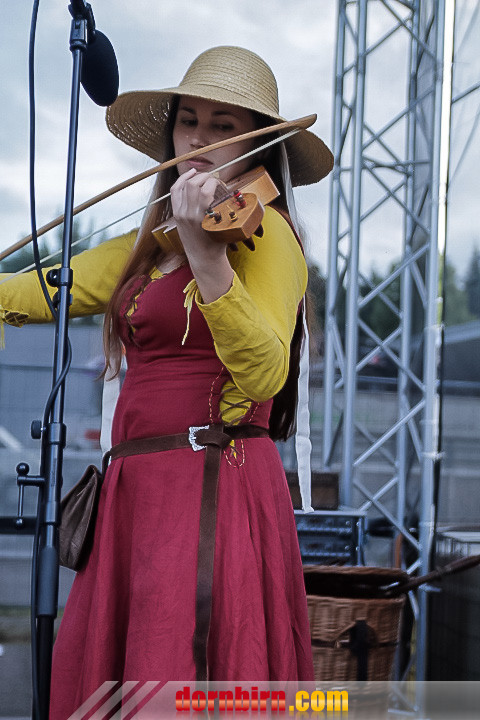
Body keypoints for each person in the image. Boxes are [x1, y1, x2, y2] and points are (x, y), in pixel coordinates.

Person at [0, 46, 333, 716]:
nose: (199, 140)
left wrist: (209, 259)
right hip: (135, 491)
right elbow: (40, 290)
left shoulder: (268, 237)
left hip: (212, 482)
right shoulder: (151, 244)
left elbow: (266, 371)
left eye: (222, 126)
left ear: (258, 145)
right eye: (188, 122)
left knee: (183, 666)